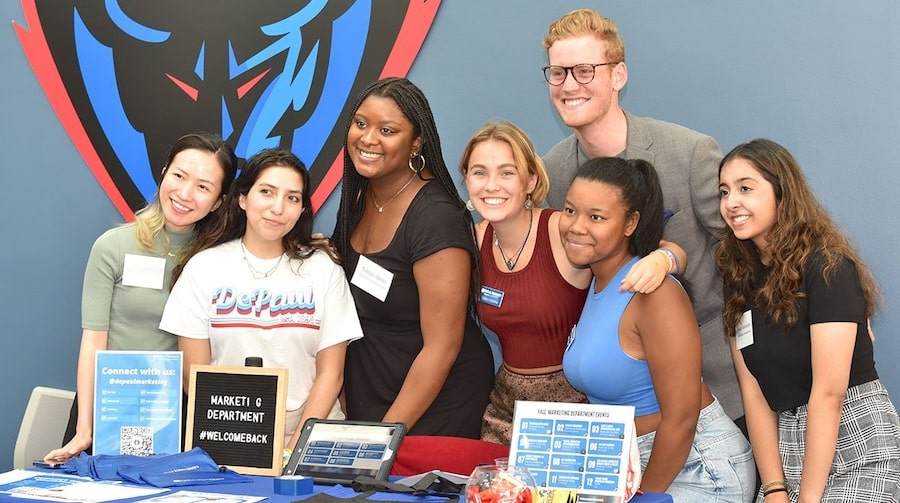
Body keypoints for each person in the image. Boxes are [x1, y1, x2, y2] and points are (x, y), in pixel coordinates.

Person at [540, 9, 744, 422]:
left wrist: (821, 308)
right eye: (558, 73)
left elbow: (750, 245)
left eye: (584, 70)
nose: (569, 85)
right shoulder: (554, 173)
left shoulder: (688, 153)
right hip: (620, 405)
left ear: (618, 76)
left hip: (716, 386)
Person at [458, 121, 687, 445]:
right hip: (505, 407)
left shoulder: (561, 229)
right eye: (479, 172)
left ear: (531, 180)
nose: (491, 185)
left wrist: (665, 261)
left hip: (574, 406)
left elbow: (662, 248)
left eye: (506, 172)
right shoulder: (474, 240)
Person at [716, 139, 900, 502]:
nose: (731, 202)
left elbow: (829, 394)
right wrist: (774, 489)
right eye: (724, 192)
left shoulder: (828, 267)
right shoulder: (740, 277)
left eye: (746, 188)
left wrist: (809, 498)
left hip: (855, 437)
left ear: (783, 195)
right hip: (788, 444)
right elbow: (753, 391)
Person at [561, 157, 755, 501]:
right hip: (626, 461)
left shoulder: (656, 293)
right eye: (570, 211)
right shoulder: (598, 282)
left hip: (696, 467)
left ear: (630, 223)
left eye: (596, 217)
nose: (576, 226)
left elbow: (681, 420)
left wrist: (645, 496)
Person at [45, 132, 238, 462]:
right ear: (164, 173)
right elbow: (93, 340)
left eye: (203, 187)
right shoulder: (113, 246)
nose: (185, 193)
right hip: (110, 405)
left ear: (219, 201)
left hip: (174, 411)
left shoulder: (220, 260)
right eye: (179, 176)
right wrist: (85, 429)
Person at [159, 148, 363, 449]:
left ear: (302, 209)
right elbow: (194, 376)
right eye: (267, 192)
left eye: (292, 198)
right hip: (229, 432)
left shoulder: (323, 268)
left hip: (312, 433)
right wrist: (245, 441)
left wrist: (293, 448)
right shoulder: (204, 268)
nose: (278, 208)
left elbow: (331, 375)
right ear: (243, 198)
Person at [333, 77, 494, 438]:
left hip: (434, 408)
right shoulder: (361, 200)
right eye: (361, 124)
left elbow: (443, 347)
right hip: (374, 395)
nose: (368, 139)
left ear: (416, 142)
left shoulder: (435, 218)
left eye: (387, 130)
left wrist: (384, 437)